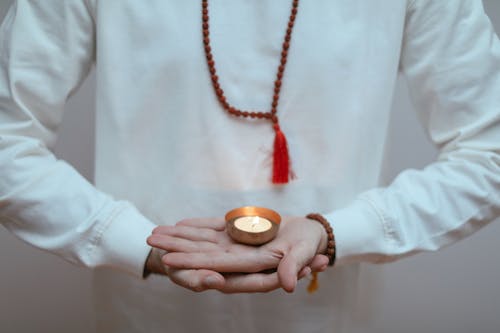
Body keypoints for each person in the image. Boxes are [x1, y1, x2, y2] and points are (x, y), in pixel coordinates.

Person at [0, 0, 499, 332]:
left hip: (329, 315)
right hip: (143, 314)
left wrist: (338, 231)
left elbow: (490, 148)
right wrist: (130, 240)